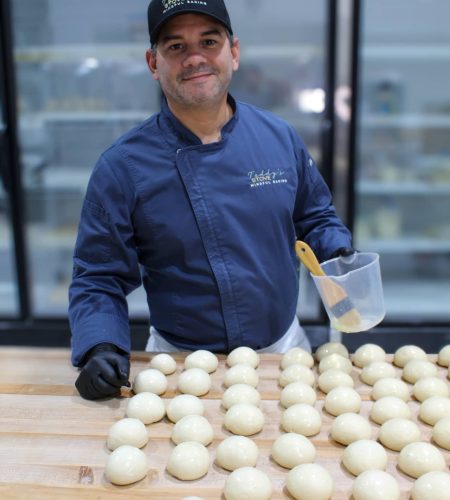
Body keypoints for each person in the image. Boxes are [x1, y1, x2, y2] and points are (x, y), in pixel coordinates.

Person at [69, 0, 353, 400]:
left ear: (233, 52)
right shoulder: (122, 167)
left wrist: (338, 253)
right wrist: (99, 345)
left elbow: (315, 215)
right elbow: (98, 275)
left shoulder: (278, 137)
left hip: (284, 354)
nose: (195, 58)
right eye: (176, 47)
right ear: (154, 63)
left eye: (208, 41)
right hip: (179, 366)